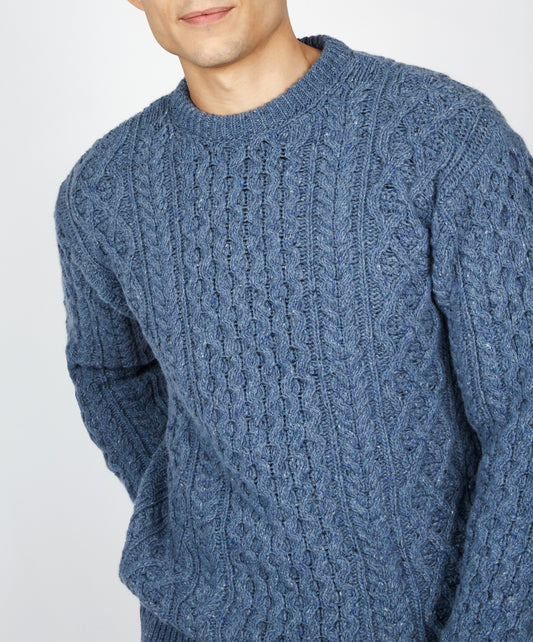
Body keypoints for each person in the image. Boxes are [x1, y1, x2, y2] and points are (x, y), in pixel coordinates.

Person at [52, 1, 533, 640]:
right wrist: (198, 512)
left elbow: (523, 412)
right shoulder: (101, 192)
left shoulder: (444, 137)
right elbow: (110, 372)